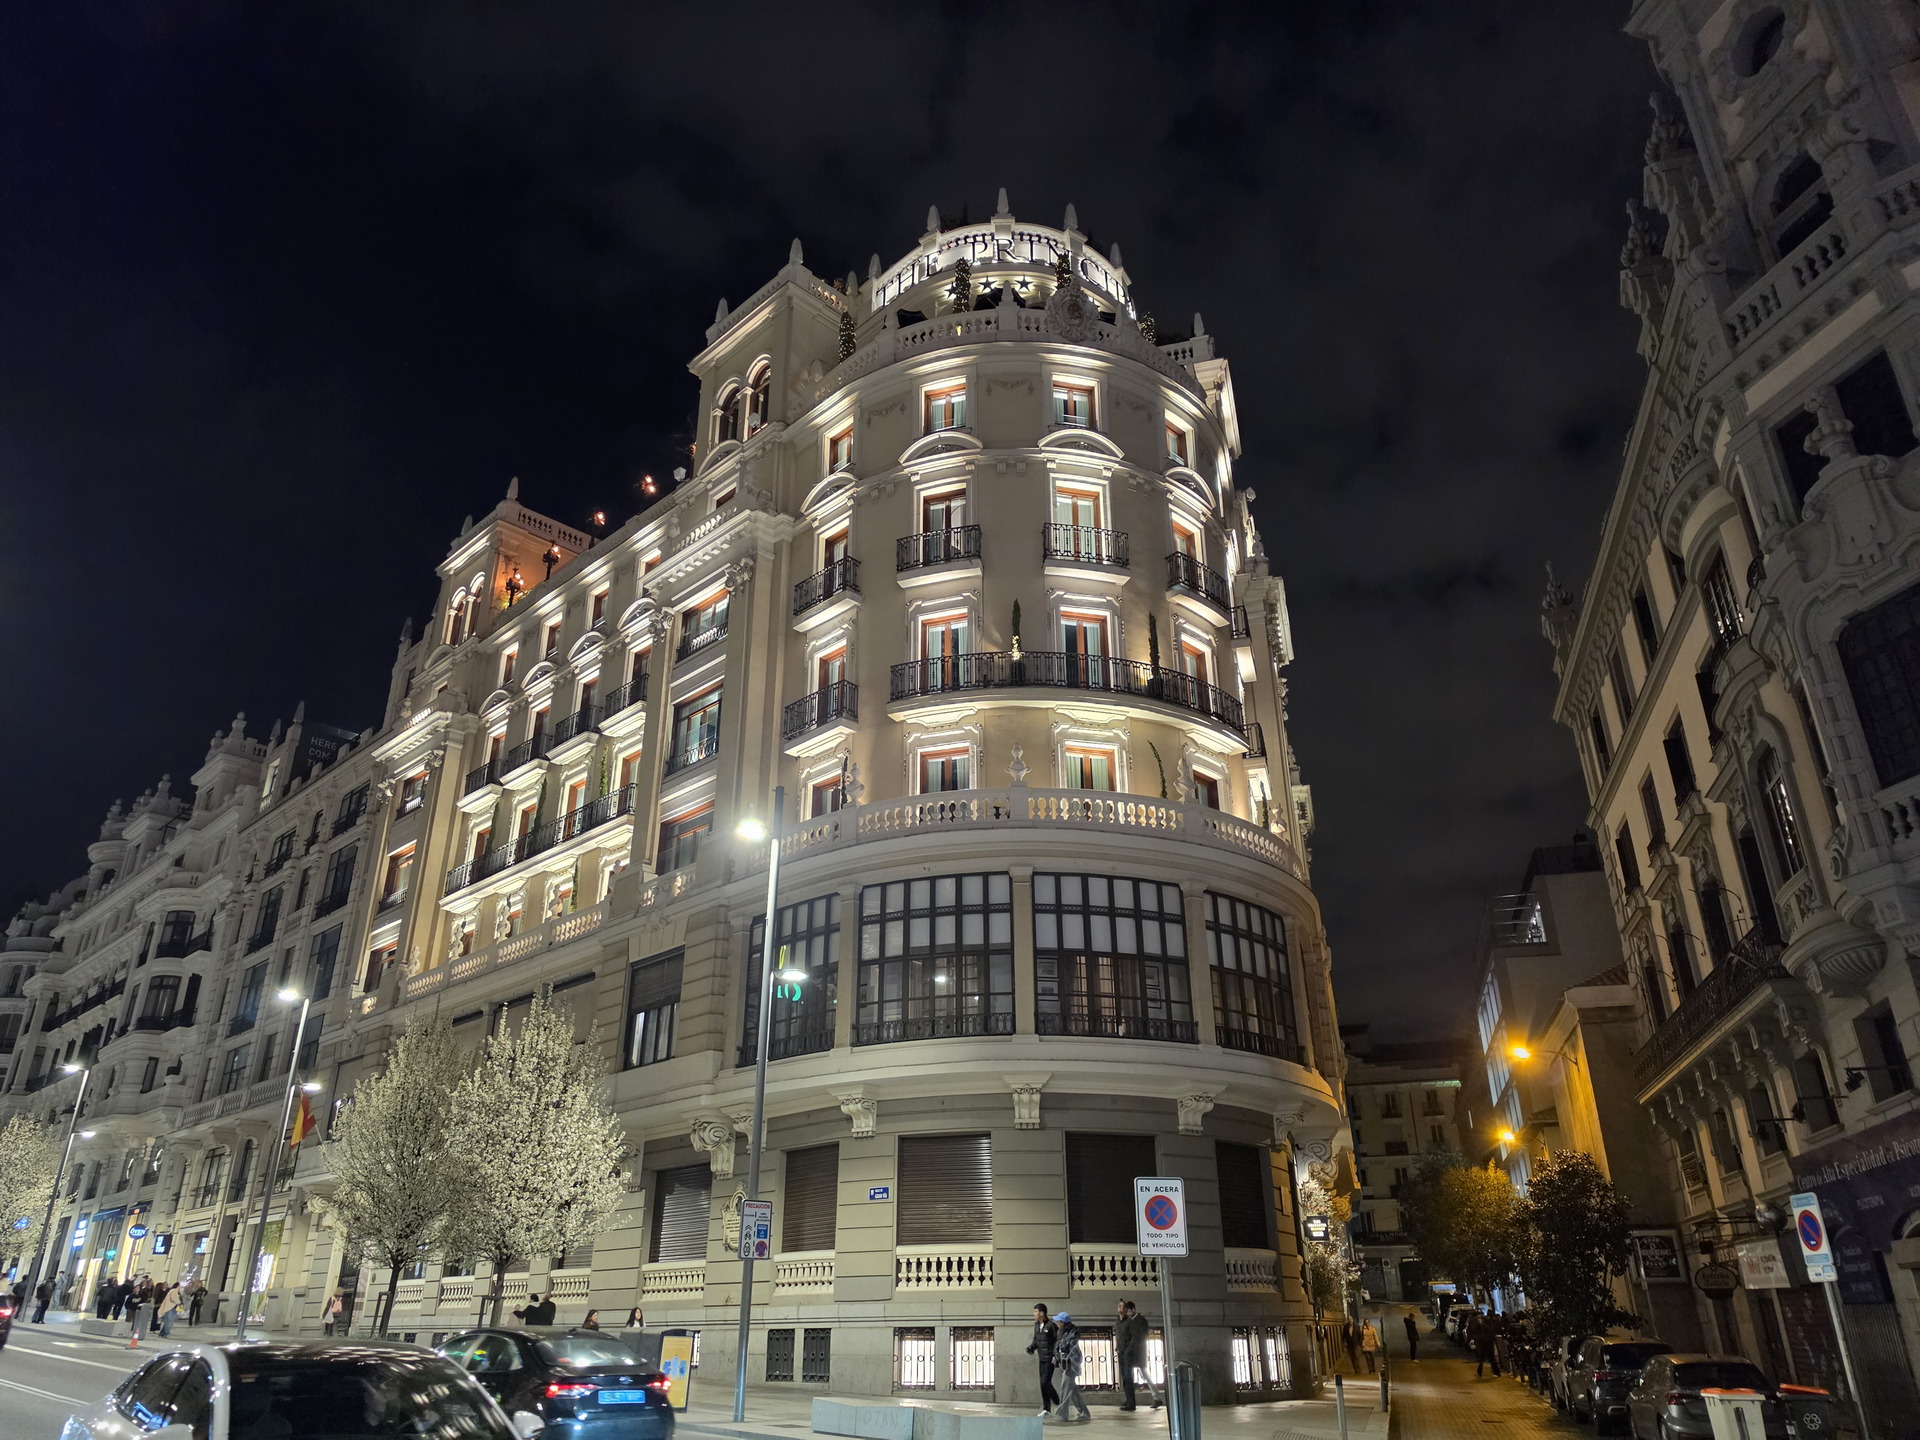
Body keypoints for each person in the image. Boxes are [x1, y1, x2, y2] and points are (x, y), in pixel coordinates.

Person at [1115, 1300, 1161, 1411]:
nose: (1128, 1313)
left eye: (1129, 1311)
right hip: (1132, 1352)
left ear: (1134, 1310)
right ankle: (1131, 1399)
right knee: (1132, 1376)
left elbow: (1140, 1336)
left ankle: (1157, 1397)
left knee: (1144, 1374)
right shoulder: (1129, 1321)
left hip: (1138, 1352)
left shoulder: (1140, 1321)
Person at [1051, 1313, 1090, 1424]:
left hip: (1071, 1364)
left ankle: (1062, 1414)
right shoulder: (1061, 1332)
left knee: (1065, 1388)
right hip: (1063, 1364)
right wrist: (1056, 1356)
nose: (1056, 1323)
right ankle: (1084, 1413)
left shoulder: (1073, 1333)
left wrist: (1069, 1360)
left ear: (1063, 1322)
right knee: (1072, 1391)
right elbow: (1057, 1347)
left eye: (1058, 1321)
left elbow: (1073, 1350)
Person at [1025, 1304, 1059, 1417]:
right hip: (1041, 1358)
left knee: (1045, 1382)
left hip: (1050, 1359)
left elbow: (1057, 1341)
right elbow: (1036, 1340)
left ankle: (1058, 1402)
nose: (1034, 1314)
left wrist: (1055, 1355)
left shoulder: (1051, 1326)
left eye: (1036, 1311)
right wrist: (1031, 1348)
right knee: (1042, 1385)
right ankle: (1046, 1409)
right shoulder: (1037, 1325)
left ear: (1042, 1313)